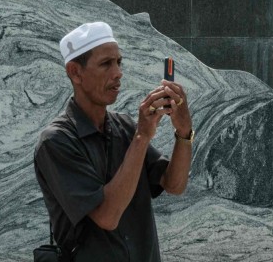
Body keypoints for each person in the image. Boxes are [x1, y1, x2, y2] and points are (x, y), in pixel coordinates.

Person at [34, 22, 193, 262]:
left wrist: (183, 132)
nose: (118, 72)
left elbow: (174, 185)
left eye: (119, 62)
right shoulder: (56, 141)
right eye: (106, 63)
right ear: (75, 72)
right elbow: (107, 217)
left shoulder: (125, 128)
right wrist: (141, 137)